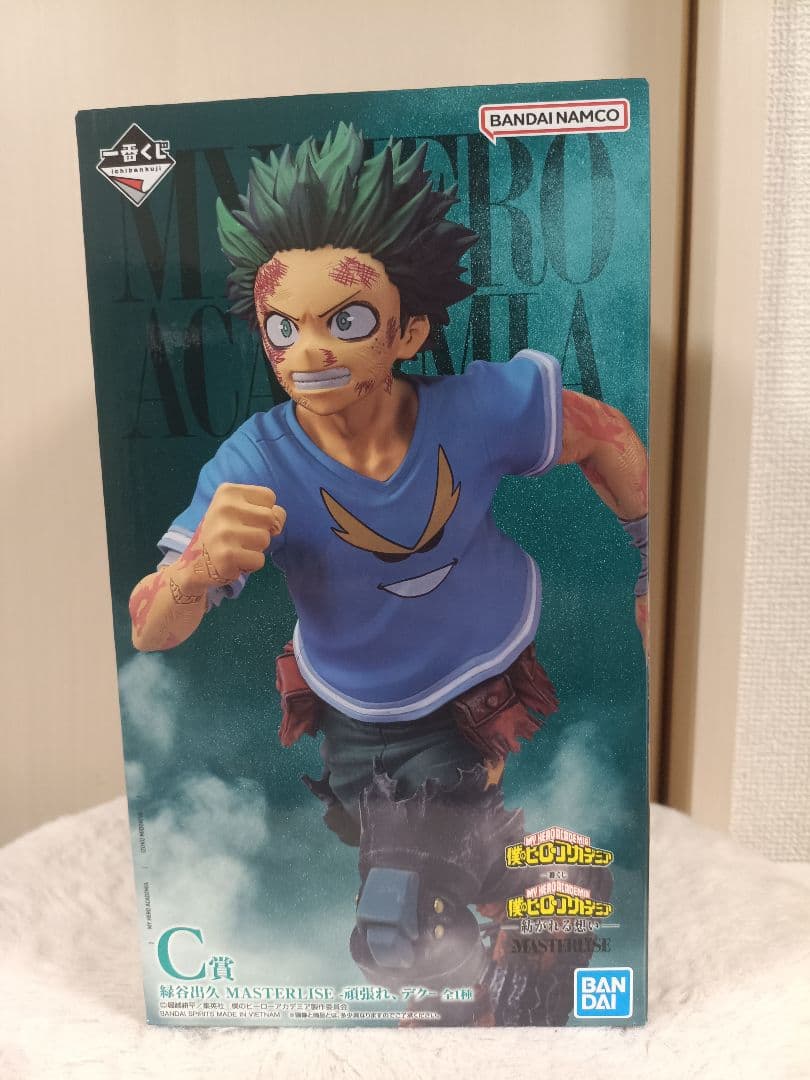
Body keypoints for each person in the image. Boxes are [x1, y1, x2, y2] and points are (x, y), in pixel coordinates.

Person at [129, 123, 648, 1025]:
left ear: (409, 329)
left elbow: (602, 431)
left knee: (399, 928)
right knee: (408, 907)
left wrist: (651, 562)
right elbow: (149, 627)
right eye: (283, 328)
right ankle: (548, 883)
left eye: (347, 321)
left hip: (483, 670)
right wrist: (195, 572)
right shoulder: (256, 461)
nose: (310, 352)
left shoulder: (475, 409)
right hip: (359, 709)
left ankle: (484, 983)